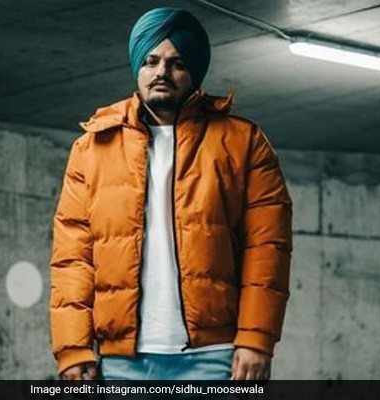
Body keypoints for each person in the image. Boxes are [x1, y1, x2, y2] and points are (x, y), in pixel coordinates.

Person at [50, 7, 292, 381]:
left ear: (194, 71)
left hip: (217, 357)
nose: (161, 72)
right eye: (151, 61)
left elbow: (267, 247)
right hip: (123, 360)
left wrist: (256, 339)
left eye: (176, 63)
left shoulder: (244, 143)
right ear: (138, 67)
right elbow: (73, 258)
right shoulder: (91, 148)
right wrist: (72, 348)